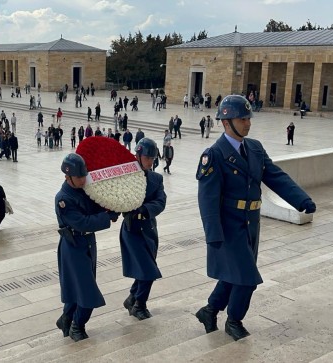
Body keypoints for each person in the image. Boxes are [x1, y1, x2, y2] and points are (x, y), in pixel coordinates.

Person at [195, 95, 317, 341]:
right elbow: (207, 199)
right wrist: (213, 235)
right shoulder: (214, 154)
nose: (248, 123)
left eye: (248, 118)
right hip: (229, 227)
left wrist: (301, 199)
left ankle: (209, 311)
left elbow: (276, 177)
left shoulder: (255, 148)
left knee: (236, 274)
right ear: (226, 122)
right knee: (247, 277)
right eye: (242, 119)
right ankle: (234, 320)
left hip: (251, 224)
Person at [55, 153, 119, 341]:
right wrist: (106, 218)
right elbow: (82, 222)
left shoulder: (84, 190)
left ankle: (66, 319)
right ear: (68, 177)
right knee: (87, 291)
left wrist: (111, 208)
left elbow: (96, 208)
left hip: (87, 244)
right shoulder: (63, 198)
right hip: (73, 246)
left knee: (78, 288)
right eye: (79, 177)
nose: (84, 180)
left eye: (84, 176)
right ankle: (77, 325)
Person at [120, 139, 167, 320]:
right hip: (132, 230)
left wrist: (145, 209)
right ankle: (139, 304)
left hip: (149, 229)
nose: (150, 162)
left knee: (145, 267)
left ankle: (132, 297)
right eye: (147, 157)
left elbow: (160, 202)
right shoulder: (126, 177)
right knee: (148, 269)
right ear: (138, 156)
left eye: (153, 158)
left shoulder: (156, 179)